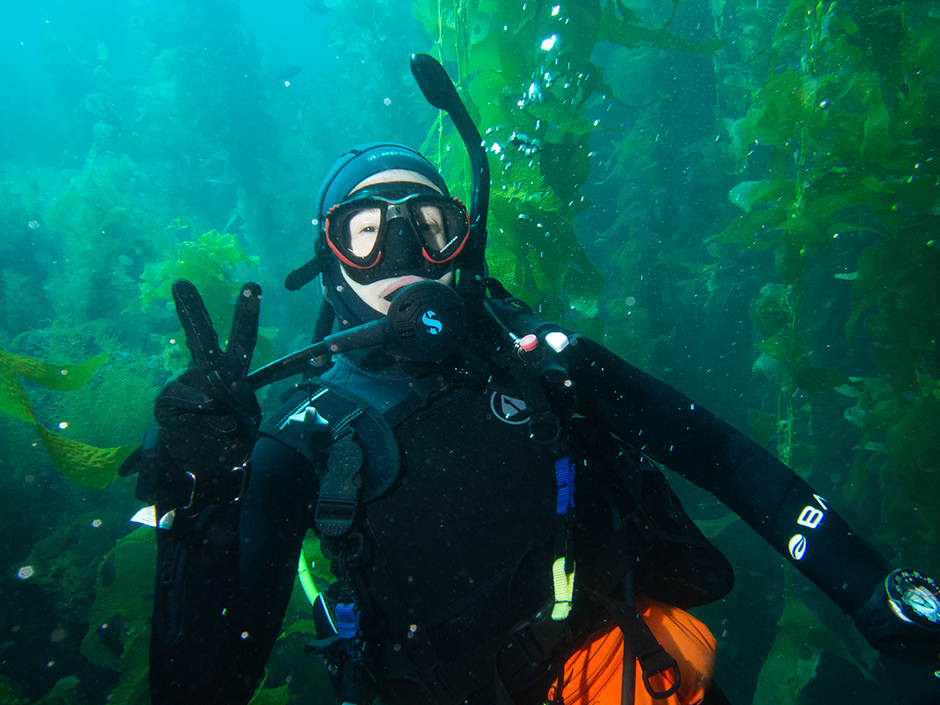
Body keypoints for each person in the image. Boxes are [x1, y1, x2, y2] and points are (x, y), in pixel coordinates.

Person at [128, 58, 939, 705]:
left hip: (631, 678)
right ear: (329, 259)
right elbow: (207, 687)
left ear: (464, 237)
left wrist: (872, 590)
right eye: (366, 232)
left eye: (431, 226)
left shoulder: (544, 359)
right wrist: (205, 506)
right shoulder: (298, 440)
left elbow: (720, 456)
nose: (404, 255)